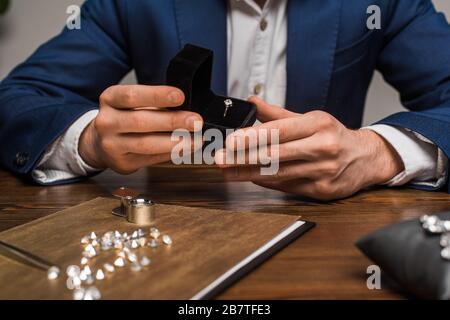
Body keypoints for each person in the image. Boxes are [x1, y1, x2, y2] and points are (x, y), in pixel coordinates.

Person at [0, 0, 449, 200]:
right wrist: (90, 139)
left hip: (329, 241)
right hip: (172, 235)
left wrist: (378, 153)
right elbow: (17, 99)